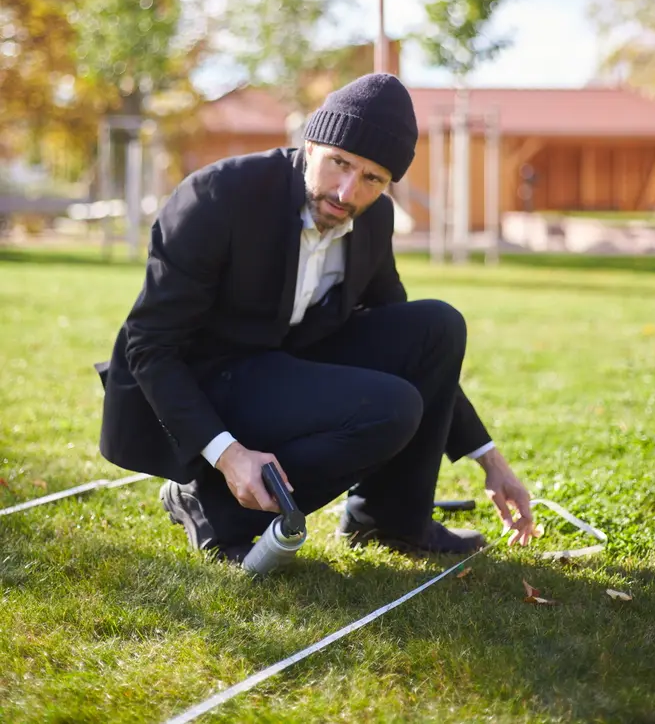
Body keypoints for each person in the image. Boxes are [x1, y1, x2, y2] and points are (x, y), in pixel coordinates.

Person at [97, 73, 536, 564]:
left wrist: (488, 458)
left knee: (437, 327)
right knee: (391, 408)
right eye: (339, 163)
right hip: (205, 377)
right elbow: (149, 347)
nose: (347, 192)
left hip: (280, 364)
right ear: (310, 145)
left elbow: (405, 338)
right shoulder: (217, 197)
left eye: (372, 178)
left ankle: (389, 519)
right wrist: (226, 453)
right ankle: (212, 505)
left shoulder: (373, 218)